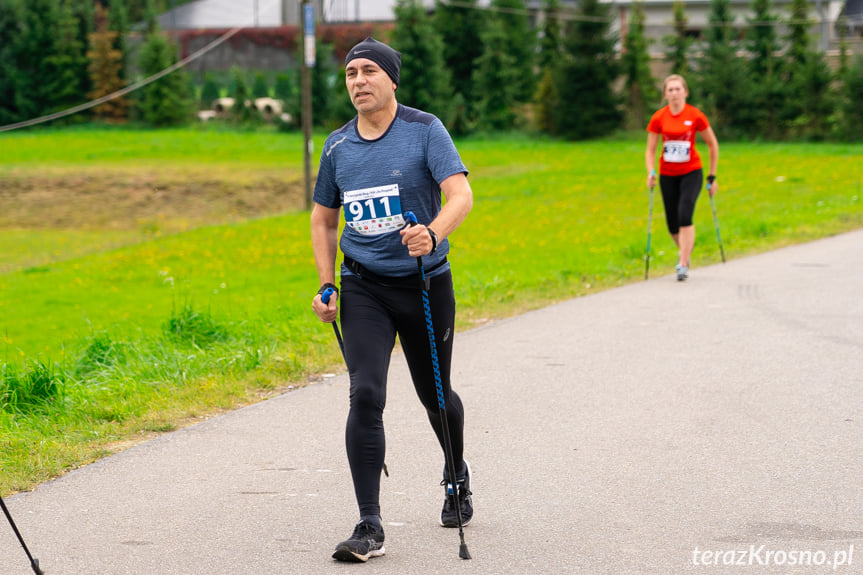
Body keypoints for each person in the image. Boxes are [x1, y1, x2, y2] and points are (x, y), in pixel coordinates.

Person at [310, 37, 474, 563]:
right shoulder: (337, 146)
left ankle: (456, 474)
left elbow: (461, 194)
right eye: (350, 73)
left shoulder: (424, 129)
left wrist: (432, 231)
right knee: (366, 394)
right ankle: (369, 523)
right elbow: (323, 218)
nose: (357, 81)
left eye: (367, 72)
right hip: (363, 286)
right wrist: (327, 282)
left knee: (435, 395)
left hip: (425, 282)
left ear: (391, 79)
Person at [645, 74, 720, 281]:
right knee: (672, 224)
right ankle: (686, 250)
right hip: (668, 174)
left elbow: (712, 145)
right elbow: (650, 149)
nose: (675, 93)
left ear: (685, 92)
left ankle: (683, 263)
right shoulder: (658, 117)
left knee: (685, 214)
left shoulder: (695, 115)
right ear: (665, 94)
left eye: (678, 89)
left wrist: (712, 176)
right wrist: (651, 172)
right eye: (670, 90)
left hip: (692, 172)